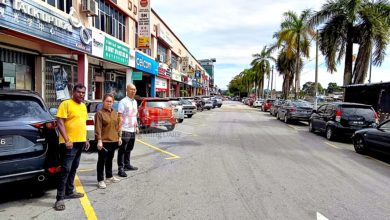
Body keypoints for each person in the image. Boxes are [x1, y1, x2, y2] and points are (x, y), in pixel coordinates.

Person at [54, 83, 90, 211]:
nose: (81, 94)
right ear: (73, 92)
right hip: (69, 144)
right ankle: (59, 198)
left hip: (80, 142)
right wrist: (67, 139)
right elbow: (59, 121)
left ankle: (69, 191)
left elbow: (82, 123)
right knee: (65, 170)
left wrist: (85, 139)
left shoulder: (83, 106)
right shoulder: (66, 104)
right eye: (79, 92)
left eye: (83, 92)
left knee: (74, 167)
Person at [95, 93, 122, 189]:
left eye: (111, 101)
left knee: (110, 159)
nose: (109, 103)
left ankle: (109, 176)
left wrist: (119, 137)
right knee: (101, 161)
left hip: (113, 140)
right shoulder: (99, 113)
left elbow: (117, 126)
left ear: (113, 102)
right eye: (107, 101)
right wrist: (99, 140)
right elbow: (98, 128)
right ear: (103, 101)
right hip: (104, 141)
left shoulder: (115, 113)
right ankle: (100, 180)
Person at [117, 83, 139, 177]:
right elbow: (119, 116)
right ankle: (120, 168)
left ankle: (127, 164)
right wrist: (120, 130)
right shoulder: (123, 101)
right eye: (131, 89)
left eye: (134, 89)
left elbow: (134, 116)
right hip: (125, 129)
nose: (133, 91)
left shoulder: (135, 102)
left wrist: (136, 126)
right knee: (122, 150)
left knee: (129, 148)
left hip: (132, 129)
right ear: (127, 90)